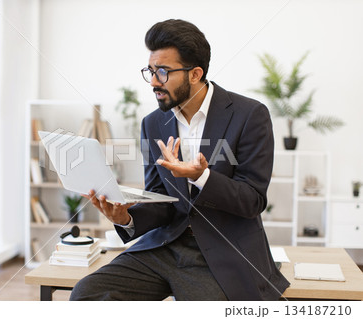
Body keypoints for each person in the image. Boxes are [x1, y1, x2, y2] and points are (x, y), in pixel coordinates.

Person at [70, 19, 290, 301]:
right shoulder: (153, 123)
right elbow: (160, 199)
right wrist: (126, 218)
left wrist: (201, 176)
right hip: (165, 246)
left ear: (195, 74)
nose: (153, 82)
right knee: (87, 294)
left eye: (162, 72)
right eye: (150, 71)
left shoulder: (249, 115)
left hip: (223, 251)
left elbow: (253, 200)